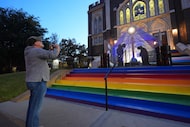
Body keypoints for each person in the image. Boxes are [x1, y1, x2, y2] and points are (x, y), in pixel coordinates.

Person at [24, 36, 60, 127]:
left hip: (33, 81)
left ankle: (32, 124)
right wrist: (57, 48)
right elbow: (52, 55)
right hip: (38, 82)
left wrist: (49, 50)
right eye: (40, 41)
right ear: (35, 43)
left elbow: (45, 55)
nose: (42, 41)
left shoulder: (30, 51)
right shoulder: (36, 50)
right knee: (35, 108)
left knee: (33, 107)